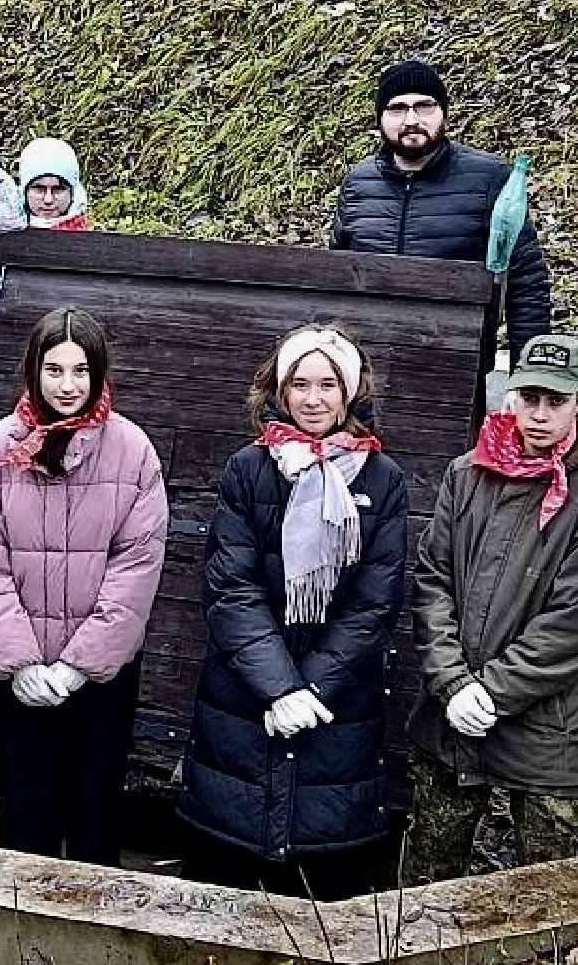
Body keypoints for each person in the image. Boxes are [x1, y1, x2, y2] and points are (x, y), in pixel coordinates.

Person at [176, 326, 409, 898]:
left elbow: (374, 603)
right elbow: (231, 587)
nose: (313, 399)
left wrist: (314, 689)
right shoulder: (247, 471)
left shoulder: (384, 480)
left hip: (339, 703)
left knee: (320, 894)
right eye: (300, 384)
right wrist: (279, 687)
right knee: (224, 888)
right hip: (244, 694)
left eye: (328, 384)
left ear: (350, 393)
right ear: (278, 390)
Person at [403, 334, 578, 881]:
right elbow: (433, 580)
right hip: (452, 720)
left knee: (545, 897)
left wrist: (492, 690)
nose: (539, 415)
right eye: (528, 398)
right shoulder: (468, 474)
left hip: (550, 734)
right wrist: (451, 682)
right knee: (427, 887)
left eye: (556, 401)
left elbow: (576, 626)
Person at [0, 307, 166, 866]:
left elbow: (136, 566)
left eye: (80, 371)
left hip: (103, 671)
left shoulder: (133, 451)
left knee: (96, 809)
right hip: (20, 670)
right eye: (54, 370)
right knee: (27, 807)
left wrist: (83, 663)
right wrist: (20, 662)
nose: (67, 385)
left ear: (99, 374)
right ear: (33, 372)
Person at [329, 60, 552, 405]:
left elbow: (526, 282)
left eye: (424, 106)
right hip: (364, 371)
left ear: (443, 112)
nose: (411, 120)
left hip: (455, 369)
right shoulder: (358, 184)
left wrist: (526, 380)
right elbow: (336, 281)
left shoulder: (490, 178)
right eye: (397, 108)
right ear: (380, 119)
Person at [0, 138, 94, 438]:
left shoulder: (86, 243)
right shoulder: (0, 241)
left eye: (58, 189)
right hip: (11, 372)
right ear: (24, 191)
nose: (49, 200)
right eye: (40, 189)